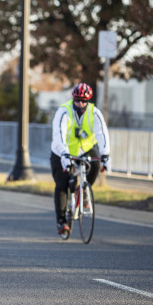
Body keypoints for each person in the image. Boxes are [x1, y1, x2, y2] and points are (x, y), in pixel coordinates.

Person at [50, 82, 110, 234]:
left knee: (95, 165)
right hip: (62, 151)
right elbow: (59, 134)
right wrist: (64, 154)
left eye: (84, 101)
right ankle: (61, 220)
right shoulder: (64, 111)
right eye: (77, 100)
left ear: (88, 100)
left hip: (85, 149)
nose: (80, 103)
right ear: (73, 98)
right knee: (62, 184)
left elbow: (102, 134)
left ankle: (83, 190)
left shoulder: (94, 113)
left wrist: (105, 154)